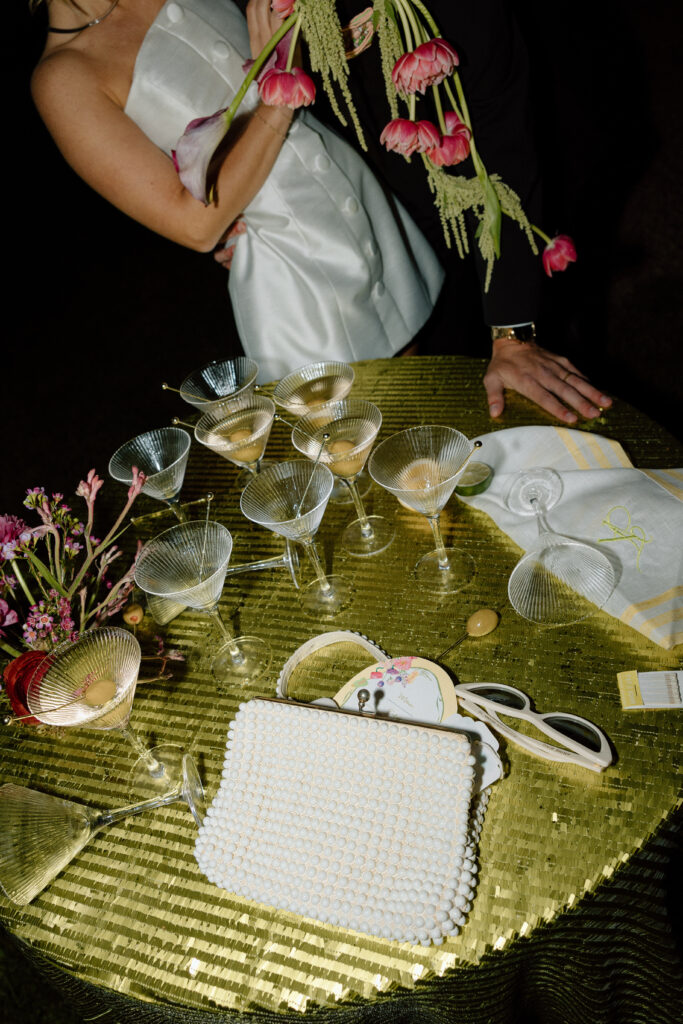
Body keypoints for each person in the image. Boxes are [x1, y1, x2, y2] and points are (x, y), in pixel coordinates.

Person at [30, 0, 444, 381]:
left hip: (365, 206)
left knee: (426, 426)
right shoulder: (65, 76)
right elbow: (195, 227)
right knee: (344, 442)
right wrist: (280, 98)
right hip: (295, 283)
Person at [269, 0, 614, 425]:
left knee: (548, 314)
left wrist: (513, 333)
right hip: (382, 192)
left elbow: (509, 147)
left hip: (516, 145)